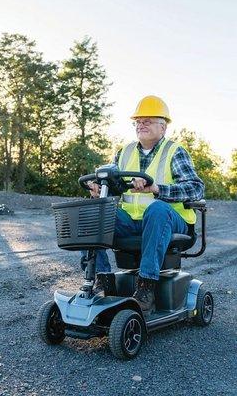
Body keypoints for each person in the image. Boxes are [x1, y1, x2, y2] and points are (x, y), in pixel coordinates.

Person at [86, 95, 204, 313]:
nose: (141, 125)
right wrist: (99, 188)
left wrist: (157, 189)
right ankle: (102, 280)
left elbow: (195, 188)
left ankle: (146, 288)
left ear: (163, 126)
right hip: (132, 222)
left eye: (147, 121)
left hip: (172, 222)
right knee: (95, 212)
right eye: (138, 122)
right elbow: (115, 187)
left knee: (157, 208)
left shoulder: (174, 151)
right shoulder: (124, 151)